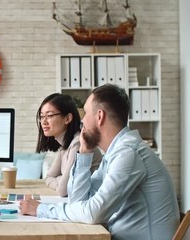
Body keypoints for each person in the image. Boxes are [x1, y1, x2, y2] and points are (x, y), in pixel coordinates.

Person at [20, 84, 180, 240]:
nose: (82, 121)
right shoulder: (115, 153)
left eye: (86, 113)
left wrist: (42, 209)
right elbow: (78, 200)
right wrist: (84, 153)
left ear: (99, 116)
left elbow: (93, 213)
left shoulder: (129, 154)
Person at [36, 93, 101, 197]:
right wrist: (61, 180)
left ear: (67, 118)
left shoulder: (78, 143)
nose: (43, 122)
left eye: (49, 116)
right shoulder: (65, 145)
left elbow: (63, 190)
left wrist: (60, 180)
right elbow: (49, 177)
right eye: (42, 116)